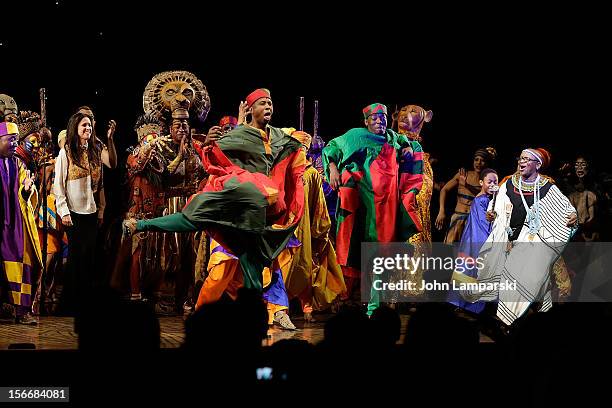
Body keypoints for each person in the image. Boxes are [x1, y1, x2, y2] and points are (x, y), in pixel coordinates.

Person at [126, 89, 308, 329]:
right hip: (236, 198)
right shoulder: (241, 134)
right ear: (250, 109)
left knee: (253, 268)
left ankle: (254, 322)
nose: (268, 107)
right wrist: (212, 142)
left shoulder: (278, 137)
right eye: (262, 103)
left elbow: (294, 148)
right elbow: (212, 154)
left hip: (258, 212)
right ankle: (139, 225)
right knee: (193, 219)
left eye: (270, 103)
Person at [322, 103, 423, 315]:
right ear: (366, 121)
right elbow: (331, 147)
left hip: (387, 203)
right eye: (375, 118)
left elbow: (410, 144)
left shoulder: (393, 137)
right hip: (363, 201)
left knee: (381, 250)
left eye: (383, 118)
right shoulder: (356, 136)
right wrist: (332, 168)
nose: (380, 121)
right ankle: (363, 302)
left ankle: (374, 305)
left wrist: (406, 147)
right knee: (363, 248)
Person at [461, 148, 578, 325]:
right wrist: (492, 215)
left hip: (534, 244)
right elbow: (495, 206)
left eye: (527, 159)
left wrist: (573, 215)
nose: (521, 162)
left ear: (537, 164)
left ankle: (525, 322)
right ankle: (508, 323)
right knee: (509, 284)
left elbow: (566, 209)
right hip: (509, 241)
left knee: (533, 282)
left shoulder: (547, 186)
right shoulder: (508, 183)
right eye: (520, 158)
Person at [53, 112, 106, 315]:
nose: (88, 129)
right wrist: (63, 210)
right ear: (75, 127)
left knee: (88, 258)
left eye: (90, 126)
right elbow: (59, 185)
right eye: (84, 125)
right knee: (76, 257)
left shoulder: (93, 151)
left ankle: (85, 302)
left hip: (90, 211)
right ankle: (69, 304)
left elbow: (99, 184)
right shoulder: (67, 152)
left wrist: (100, 210)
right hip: (73, 212)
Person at [0, 121, 41, 324]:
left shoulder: (18, 164)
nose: (14, 144)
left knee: (20, 261)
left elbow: (26, 193)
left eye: (16, 140)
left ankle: (22, 312)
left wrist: (26, 189)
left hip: (13, 223)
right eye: (10, 140)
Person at [448, 168, 498, 313]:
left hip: (471, 239)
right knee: (472, 270)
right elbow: (483, 224)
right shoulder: (481, 200)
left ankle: (461, 303)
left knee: (467, 269)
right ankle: (469, 304)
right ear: (482, 182)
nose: (493, 184)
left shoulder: (489, 200)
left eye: (495, 181)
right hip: (477, 239)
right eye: (489, 181)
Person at [436, 147, 495, 243]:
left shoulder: (486, 181)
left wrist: (466, 185)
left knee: (467, 252)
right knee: (450, 249)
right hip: (458, 218)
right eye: (476, 160)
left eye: (482, 161)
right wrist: (441, 211)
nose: (478, 163)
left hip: (473, 221)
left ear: (486, 163)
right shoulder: (463, 175)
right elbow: (444, 190)